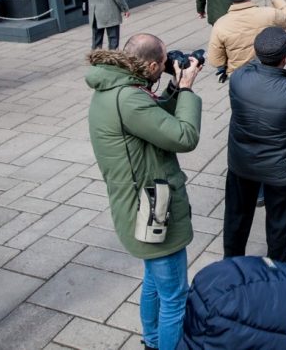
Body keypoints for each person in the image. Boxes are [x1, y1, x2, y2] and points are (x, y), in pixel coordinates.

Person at [85, 33, 203, 350]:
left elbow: (152, 117)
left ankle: (152, 341)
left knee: (153, 282)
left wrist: (175, 88)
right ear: (150, 65)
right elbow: (183, 136)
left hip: (133, 205)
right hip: (152, 213)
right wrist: (188, 89)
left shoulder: (117, 86)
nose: (166, 67)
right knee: (175, 297)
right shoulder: (128, 98)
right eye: (164, 64)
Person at [223, 27, 286, 261]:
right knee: (278, 220)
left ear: (256, 52)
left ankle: (231, 260)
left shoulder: (239, 79)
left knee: (236, 216)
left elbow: (251, 64)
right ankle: (276, 265)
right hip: (280, 169)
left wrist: (272, 44)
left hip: (241, 163)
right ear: (284, 59)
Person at [207, 0, 286, 79]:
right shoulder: (270, 14)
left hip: (239, 79)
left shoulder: (220, 24)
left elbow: (216, 61)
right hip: (267, 75)